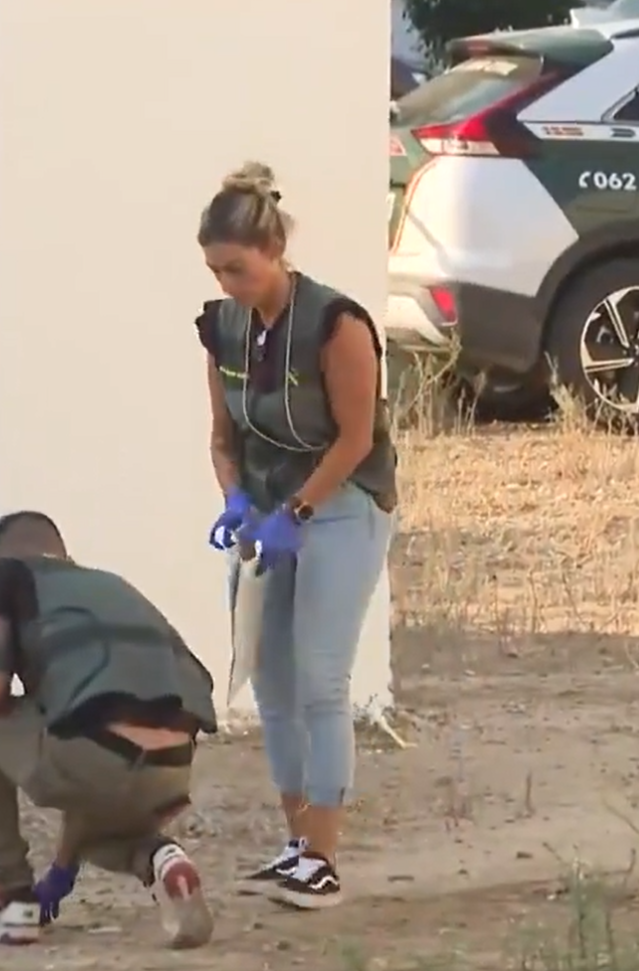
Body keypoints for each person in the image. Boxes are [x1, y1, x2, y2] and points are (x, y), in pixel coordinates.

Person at [194, 162, 398, 909]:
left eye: (238, 270)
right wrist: (237, 498)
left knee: (320, 679)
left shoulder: (335, 324)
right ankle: (294, 841)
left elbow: (353, 438)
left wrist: (299, 513)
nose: (228, 285)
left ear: (274, 252)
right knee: (269, 682)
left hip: (342, 504)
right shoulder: (221, 329)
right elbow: (223, 435)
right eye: (216, 270)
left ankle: (325, 854)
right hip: (270, 510)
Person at [0, 510, 220, 948]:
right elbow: (97, 717)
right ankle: (162, 860)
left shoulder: (4, 578)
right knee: (106, 827)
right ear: (63, 554)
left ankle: (12, 902)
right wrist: (60, 872)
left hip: (94, 752)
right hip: (172, 763)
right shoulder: (110, 586)